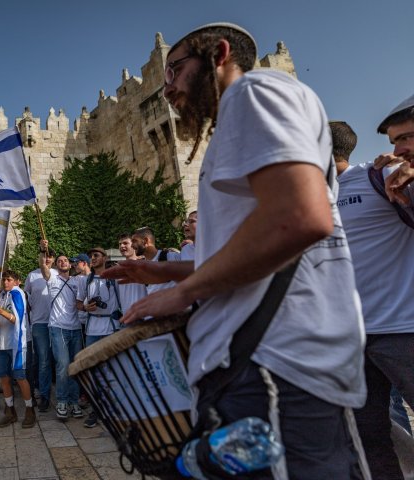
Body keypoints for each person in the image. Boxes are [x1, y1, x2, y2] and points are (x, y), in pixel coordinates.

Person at [104, 23, 366, 478]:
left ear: (219, 55)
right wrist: (165, 273)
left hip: (272, 361)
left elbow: (301, 217)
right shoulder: (243, 116)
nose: (166, 89)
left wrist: (184, 292)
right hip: (263, 362)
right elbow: (263, 243)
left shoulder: (253, 90)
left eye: (176, 71)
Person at [338, 96, 414, 479]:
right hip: (353, 340)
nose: (398, 150)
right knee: (369, 437)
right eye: (394, 141)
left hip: (403, 331)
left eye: (407, 138)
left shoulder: (378, 176)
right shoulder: (312, 197)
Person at [38, 239, 83, 421]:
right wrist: (43, 250)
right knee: (63, 365)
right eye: (60, 261)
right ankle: (62, 401)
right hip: (58, 328)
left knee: (75, 366)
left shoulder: (77, 281)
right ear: (56, 264)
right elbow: (43, 265)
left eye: (66, 260)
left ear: (70, 264)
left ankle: (74, 401)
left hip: (76, 328)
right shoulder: (52, 278)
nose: (63, 262)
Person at [76, 247, 120, 428]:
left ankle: (112, 408)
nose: (93, 258)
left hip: (111, 327)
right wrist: (86, 308)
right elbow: (78, 303)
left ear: (105, 257)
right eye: (91, 256)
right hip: (93, 328)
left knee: (112, 370)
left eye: (96, 255)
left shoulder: (115, 277)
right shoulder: (86, 280)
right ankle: (96, 410)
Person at [0, 271, 35, 429]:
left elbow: (17, 319)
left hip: (17, 343)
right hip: (3, 344)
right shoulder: (1, 296)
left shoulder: (18, 294)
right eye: (4, 280)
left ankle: (30, 410)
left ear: (17, 282)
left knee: (20, 377)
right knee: (4, 378)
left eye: (9, 280)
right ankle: (10, 411)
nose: (5, 283)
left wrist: (3, 313)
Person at [23, 247, 56, 412]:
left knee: (58, 359)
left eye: (50, 256)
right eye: (45, 255)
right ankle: (44, 395)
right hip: (39, 322)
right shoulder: (32, 275)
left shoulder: (57, 274)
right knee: (43, 360)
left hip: (58, 322)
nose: (48, 258)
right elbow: (25, 297)